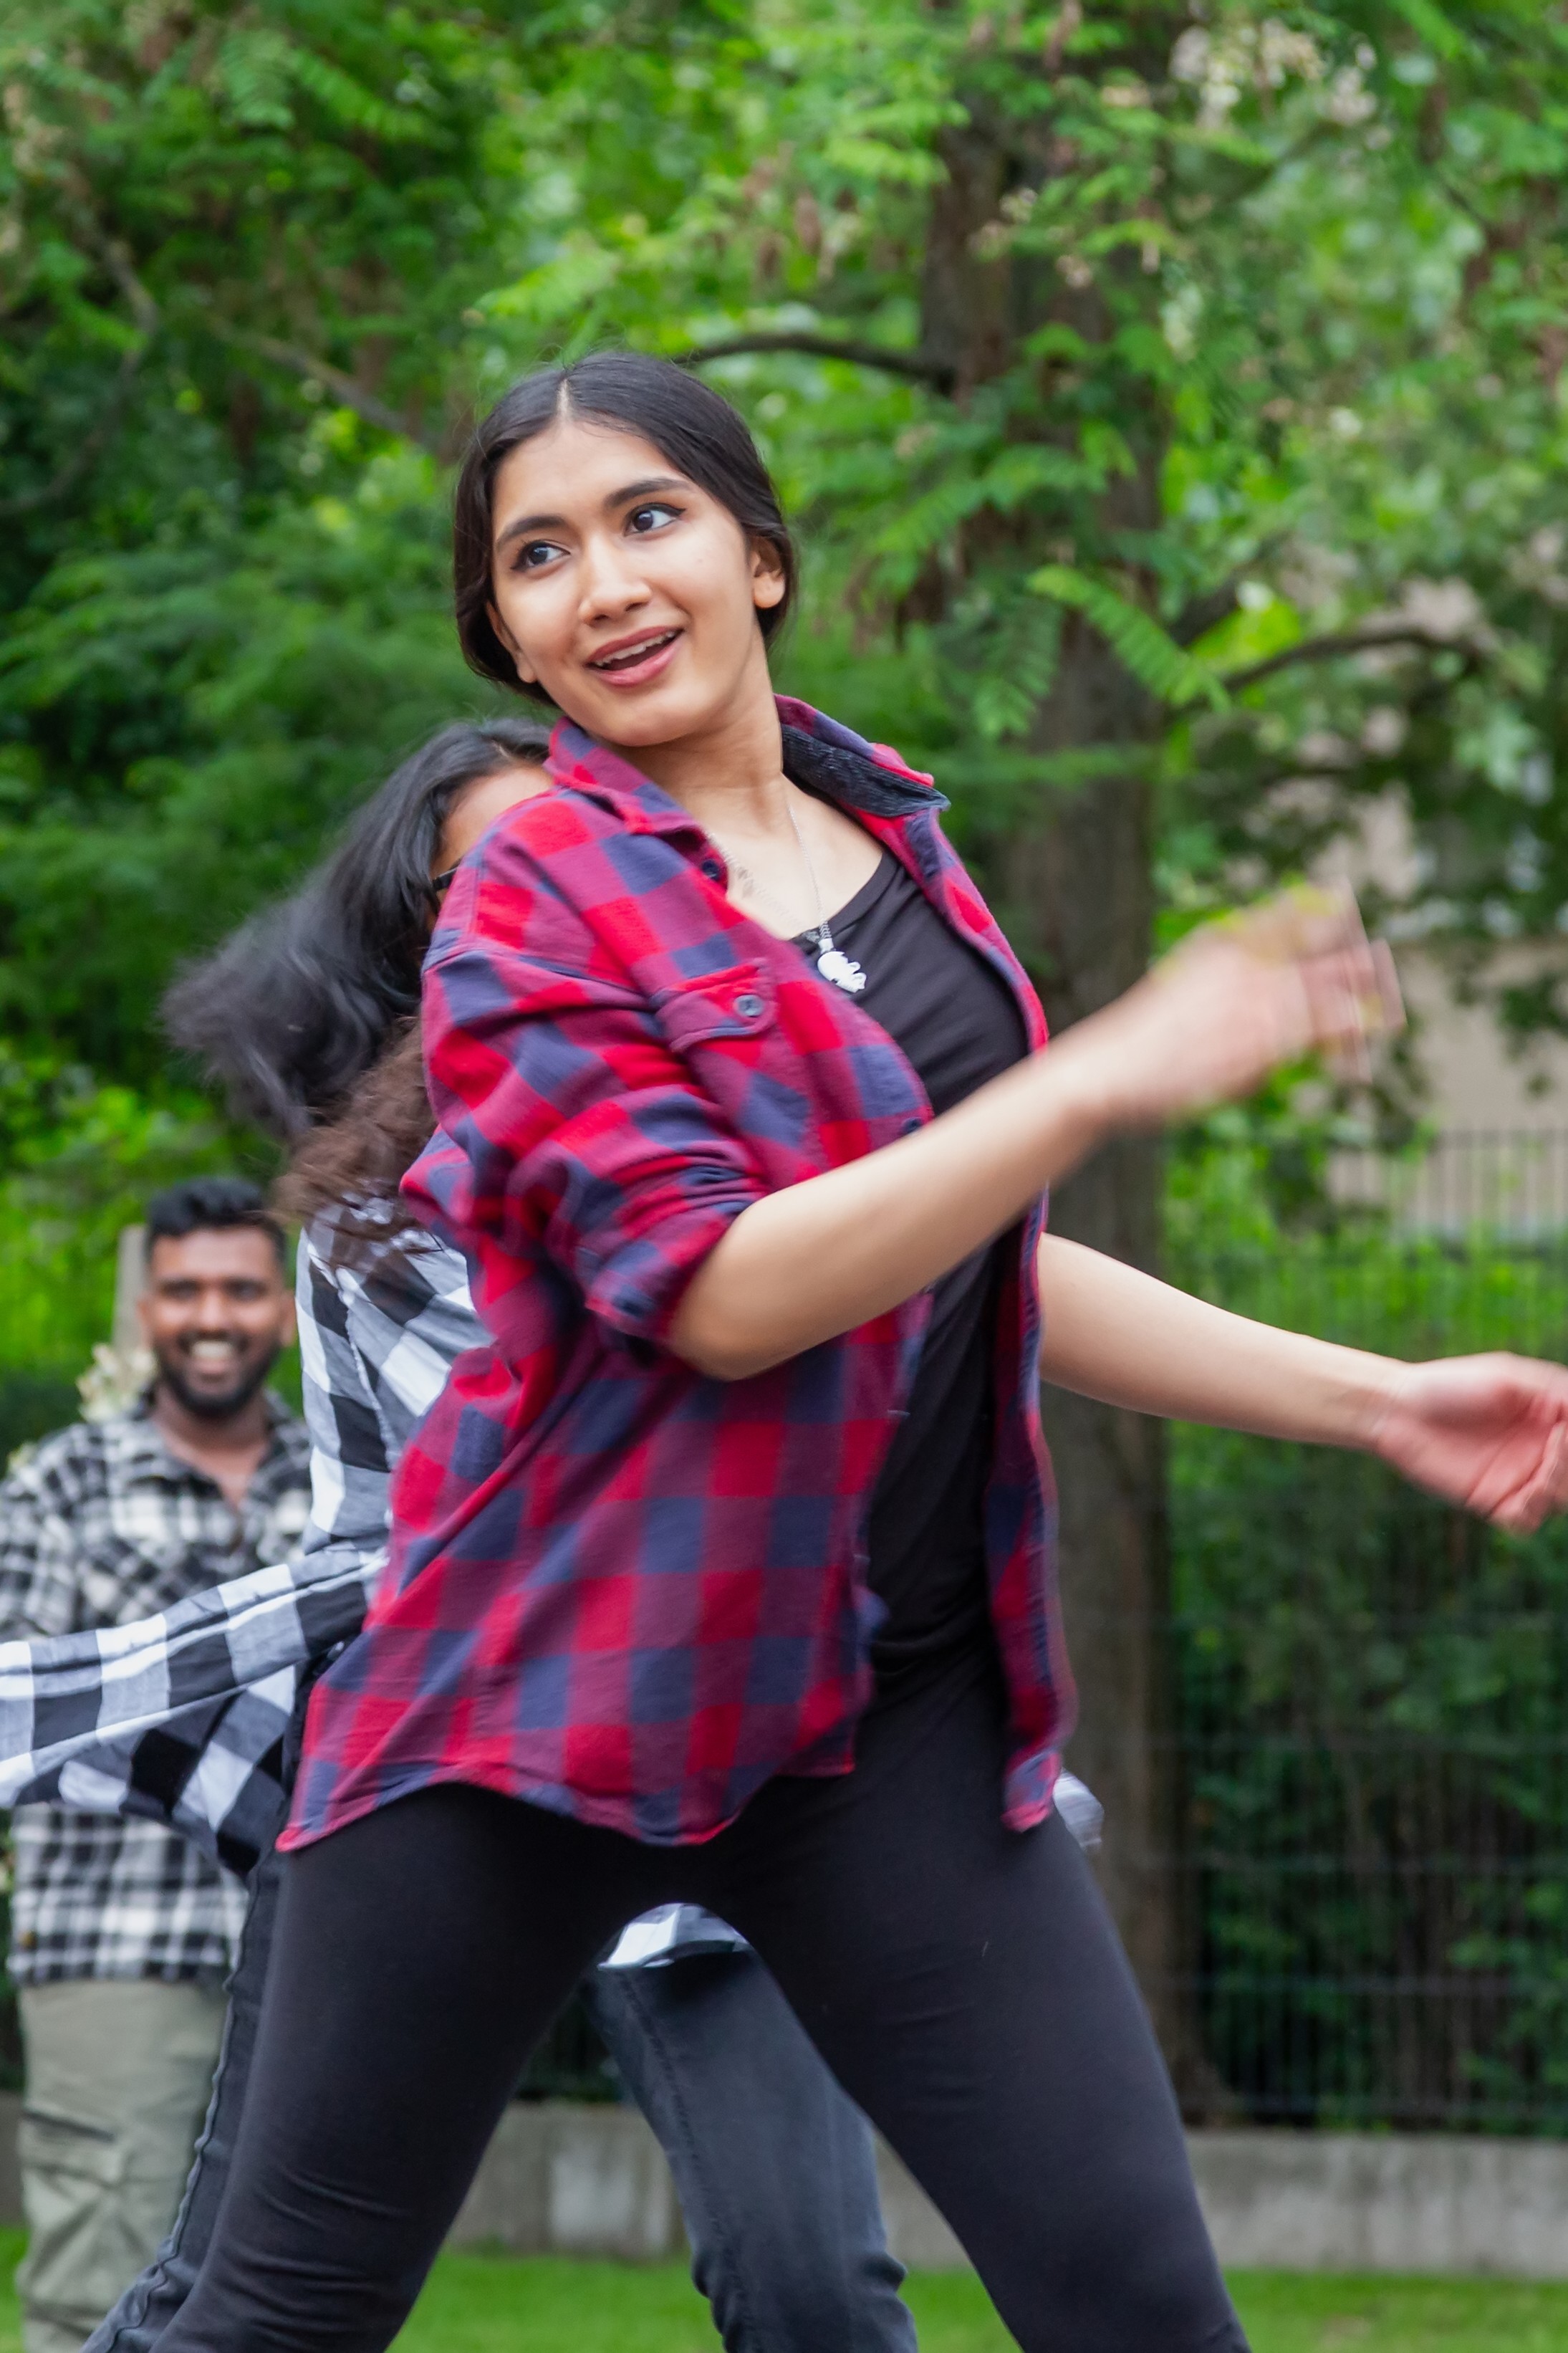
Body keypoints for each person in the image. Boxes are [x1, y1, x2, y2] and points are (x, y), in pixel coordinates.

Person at [86, 359, 1568, 2353]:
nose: (607, 583)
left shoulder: (893, 837)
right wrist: (1098, 1074)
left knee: (1141, 2309)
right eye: (539, 555)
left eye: (649, 519)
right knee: (271, 2321)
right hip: (539, 1694)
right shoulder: (528, 900)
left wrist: (1375, 1397)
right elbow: (715, 1287)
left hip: (884, 1708)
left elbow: (974, 1259)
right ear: (503, 628)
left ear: (759, 555)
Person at [19, 717, 932, 2353]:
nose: (549, 891)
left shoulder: (792, 1144)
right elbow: (446, 1518)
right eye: (490, 873)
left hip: (723, 1767)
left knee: (817, 2295)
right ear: (425, 934)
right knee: (238, 2307)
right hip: (437, 1773)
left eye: (588, 851)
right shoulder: (375, 1224)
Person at [0, 1179, 308, 2353]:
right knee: (96, 2282)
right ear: (146, 1313)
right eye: (183, 1291)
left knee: (297, 2294)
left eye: (240, 1289)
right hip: (115, 1945)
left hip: (313, 1948)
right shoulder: (59, 1485)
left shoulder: (345, 1483)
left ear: (286, 1309)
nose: (211, 1316)